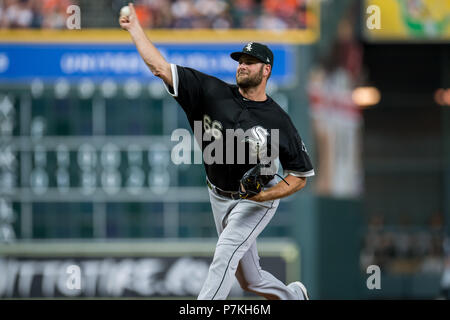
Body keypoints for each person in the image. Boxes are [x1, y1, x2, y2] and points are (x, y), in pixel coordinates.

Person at [119, 3, 314, 300]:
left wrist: (264, 196)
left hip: (256, 198)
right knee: (251, 280)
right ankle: (293, 297)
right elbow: (159, 67)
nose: (242, 65)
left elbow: (300, 175)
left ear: (266, 70)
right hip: (218, 194)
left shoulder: (278, 120)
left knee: (224, 254)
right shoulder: (210, 92)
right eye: (240, 60)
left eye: (250, 62)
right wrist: (135, 29)